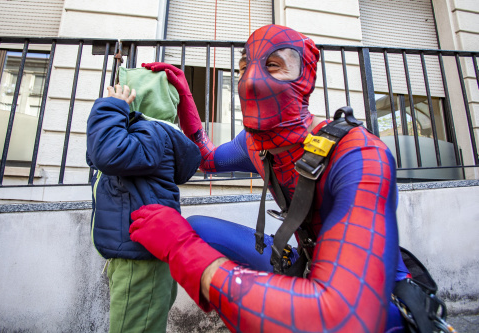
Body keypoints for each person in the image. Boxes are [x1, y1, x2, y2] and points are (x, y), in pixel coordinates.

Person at [129, 24, 409, 332]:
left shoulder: (359, 154)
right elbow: (207, 158)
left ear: (306, 78)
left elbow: (346, 320)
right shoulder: (253, 145)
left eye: (273, 65)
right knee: (197, 230)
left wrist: (184, 251)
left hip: (378, 306)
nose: (250, 81)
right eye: (244, 68)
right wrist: (184, 96)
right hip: (304, 264)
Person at [86, 71, 201, 332]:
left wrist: (111, 108)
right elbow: (96, 154)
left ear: (141, 98)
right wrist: (114, 117)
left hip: (141, 259)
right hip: (134, 254)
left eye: (124, 91)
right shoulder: (141, 135)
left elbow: (105, 154)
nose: (117, 95)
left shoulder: (151, 133)